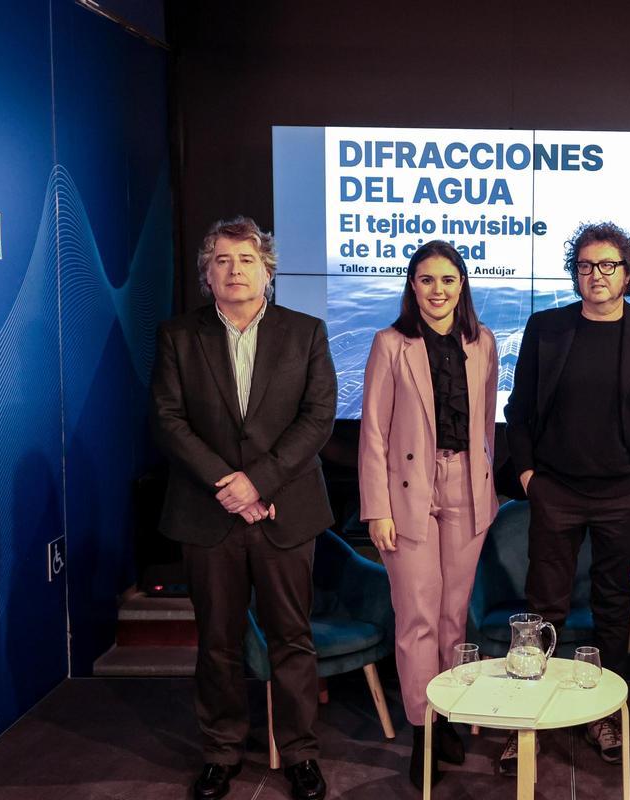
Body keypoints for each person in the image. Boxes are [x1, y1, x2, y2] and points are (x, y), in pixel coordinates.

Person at [151, 216, 335, 800]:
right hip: (208, 515)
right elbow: (169, 419)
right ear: (207, 274)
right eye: (223, 260)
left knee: (292, 639)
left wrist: (256, 483)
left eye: (247, 259)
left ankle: (301, 754)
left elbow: (317, 418)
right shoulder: (179, 335)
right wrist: (225, 484)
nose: (236, 270)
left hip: (285, 509)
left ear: (268, 271)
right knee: (218, 642)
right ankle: (221, 752)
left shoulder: (306, 332)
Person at [502, 221, 630, 771]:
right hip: (554, 489)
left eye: (608, 265)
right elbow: (519, 412)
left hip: (624, 493)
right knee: (544, 607)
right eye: (586, 265)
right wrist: (529, 477)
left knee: (612, 605)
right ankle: (529, 716)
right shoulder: (547, 328)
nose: (596, 275)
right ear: (576, 272)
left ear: (627, 272)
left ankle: (603, 716)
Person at [358, 240, 499, 789]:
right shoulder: (390, 344)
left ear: (461, 285)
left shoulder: (483, 342)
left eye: (448, 279)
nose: (437, 290)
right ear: (411, 286)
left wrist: (484, 482)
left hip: (468, 485)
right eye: (426, 279)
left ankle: (450, 718)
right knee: (417, 617)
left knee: (453, 618)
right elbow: (372, 435)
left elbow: (486, 425)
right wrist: (378, 509)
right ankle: (423, 730)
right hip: (408, 493)